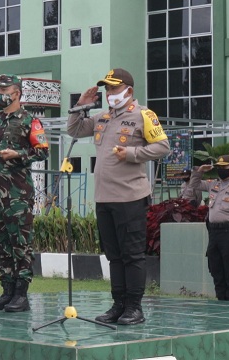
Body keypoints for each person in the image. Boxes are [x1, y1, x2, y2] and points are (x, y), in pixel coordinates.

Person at [67, 68, 170, 325]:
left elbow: (162, 146)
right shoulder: (102, 117)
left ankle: (134, 307)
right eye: (107, 89)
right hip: (104, 198)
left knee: (132, 255)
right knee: (113, 255)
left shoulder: (143, 115)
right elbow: (75, 130)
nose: (109, 93)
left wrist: (133, 154)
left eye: (113, 88)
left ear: (128, 91)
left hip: (130, 197)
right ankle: (118, 304)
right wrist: (80, 104)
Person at [0, 73, 49, 312]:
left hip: (18, 192)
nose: (1, 94)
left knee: (20, 243)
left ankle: (21, 294)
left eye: (5, 91)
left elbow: (43, 151)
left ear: (17, 93)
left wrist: (19, 155)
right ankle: (6, 291)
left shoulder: (30, 121)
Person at [190, 155, 229, 301]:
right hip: (213, 233)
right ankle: (220, 300)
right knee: (215, 268)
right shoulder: (213, 185)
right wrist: (199, 171)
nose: (221, 170)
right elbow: (194, 185)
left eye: (224, 167)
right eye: (219, 167)